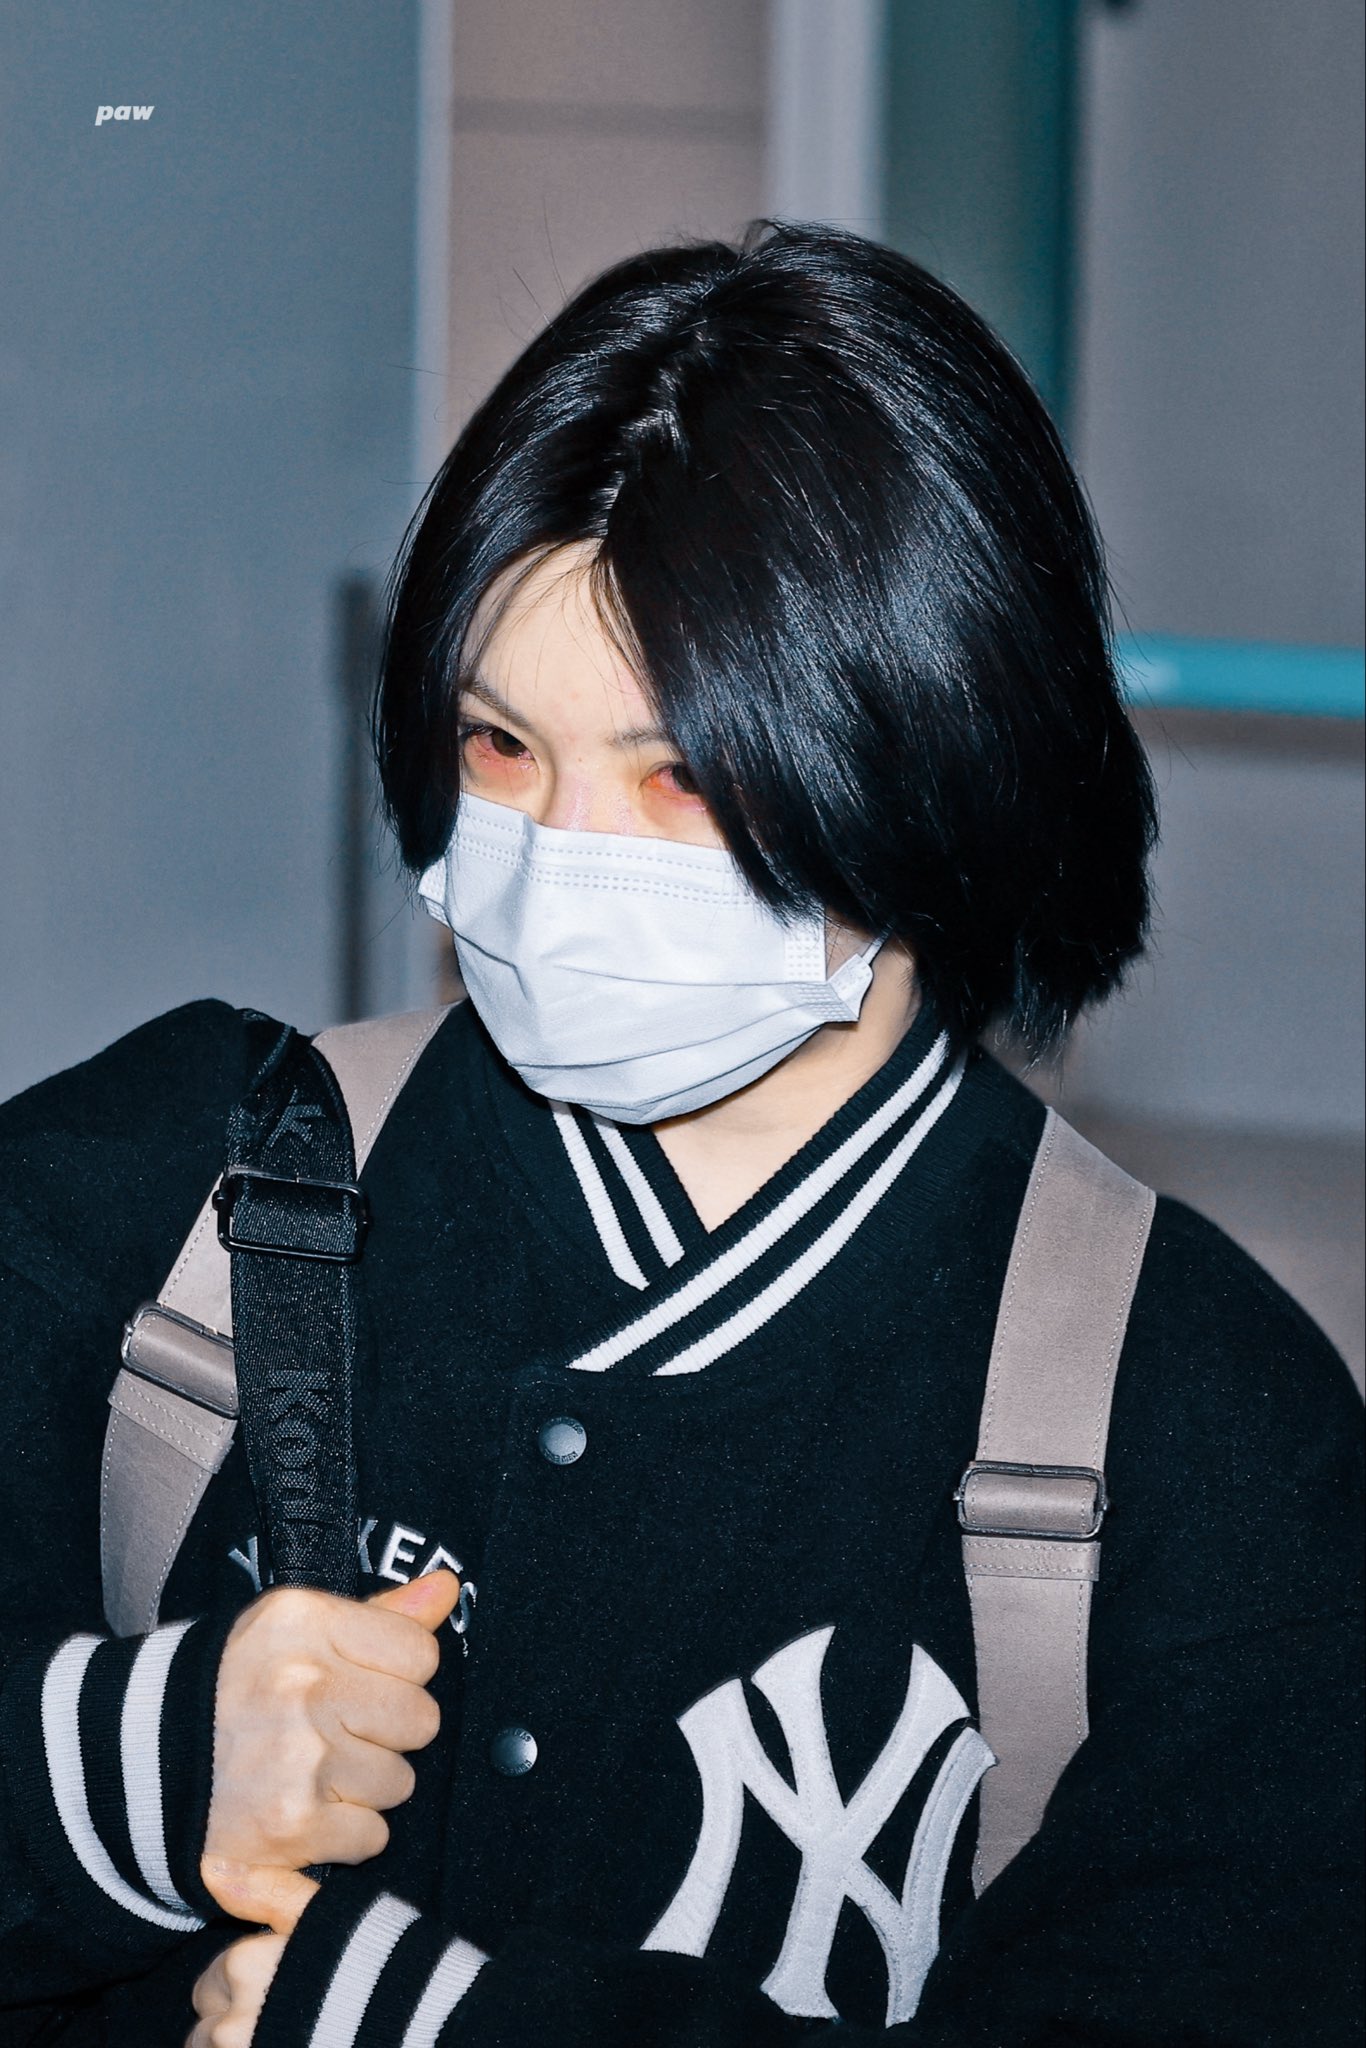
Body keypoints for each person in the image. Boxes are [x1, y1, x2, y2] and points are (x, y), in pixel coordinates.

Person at [0, 224, 1360, 2048]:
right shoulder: (179, 1180)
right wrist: (126, 1771)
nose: (556, 862)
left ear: (936, 759)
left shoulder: (1199, 1429)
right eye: (499, 748)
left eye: (685, 775)